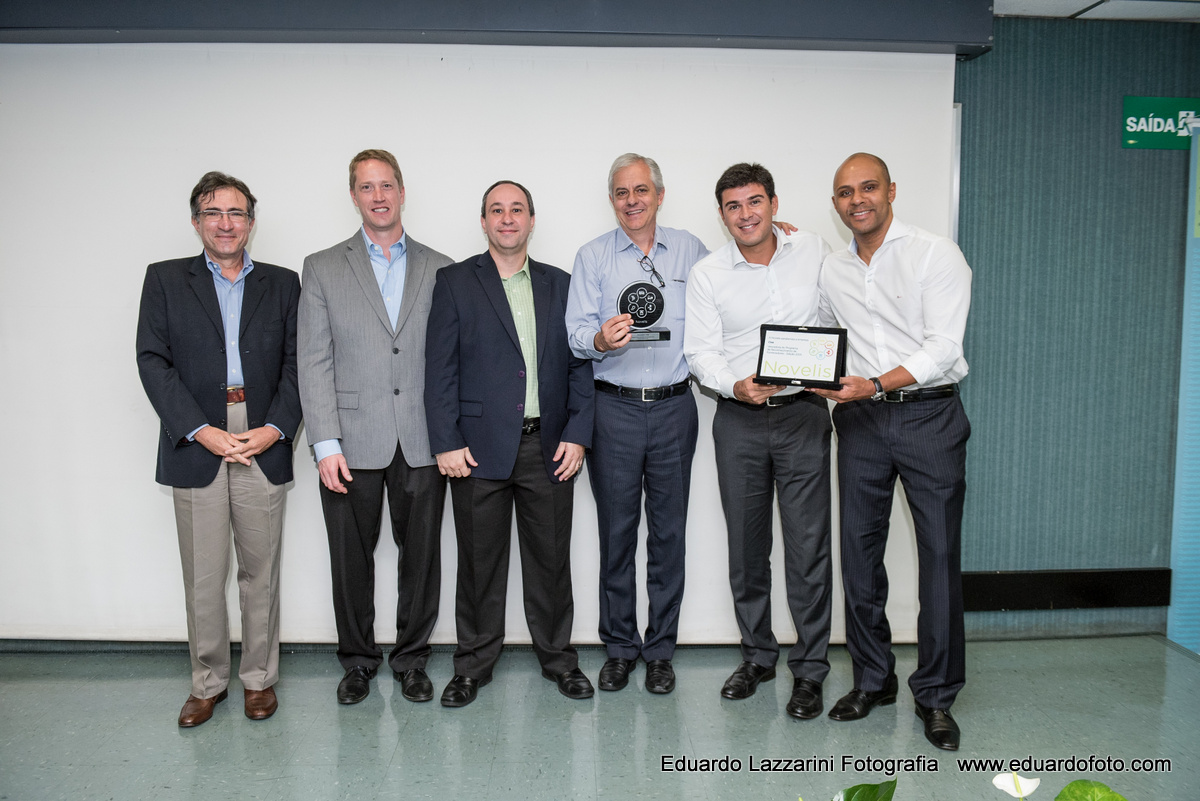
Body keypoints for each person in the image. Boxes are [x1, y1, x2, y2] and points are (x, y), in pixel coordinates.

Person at [813, 152, 972, 751]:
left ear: (891, 191)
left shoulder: (935, 253)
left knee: (939, 558)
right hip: (860, 423)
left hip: (929, 416)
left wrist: (877, 383)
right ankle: (873, 680)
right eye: (845, 192)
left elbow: (943, 346)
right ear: (835, 203)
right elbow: (824, 335)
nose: (857, 200)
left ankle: (935, 695)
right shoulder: (832, 269)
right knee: (858, 556)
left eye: (868, 187)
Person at [136, 171, 301, 727]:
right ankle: (207, 683)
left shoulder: (283, 283)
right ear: (195, 221)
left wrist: (275, 428)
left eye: (236, 213)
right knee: (204, 577)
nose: (225, 223)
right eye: (213, 212)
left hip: (261, 437)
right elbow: (152, 361)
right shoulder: (164, 280)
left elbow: (299, 364)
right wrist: (199, 430)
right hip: (197, 438)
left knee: (261, 573)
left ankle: (259, 681)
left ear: (250, 222)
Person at [425, 180, 595, 707]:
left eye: (516, 209)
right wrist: (446, 441)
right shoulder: (454, 282)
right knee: (479, 565)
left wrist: (578, 434)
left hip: (549, 447)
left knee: (551, 562)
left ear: (531, 220)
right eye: (496, 210)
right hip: (476, 451)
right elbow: (439, 369)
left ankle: (559, 659)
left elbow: (580, 365)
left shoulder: (560, 284)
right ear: (483, 221)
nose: (506, 218)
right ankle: (473, 665)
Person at [298, 149, 452, 705]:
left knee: (422, 559)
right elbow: (313, 359)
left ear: (402, 192)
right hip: (348, 441)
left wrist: (451, 436)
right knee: (350, 560)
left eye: (387, 185)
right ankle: (358, 661)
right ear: (354, 196)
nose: (379, 196)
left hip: (422, 439)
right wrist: (325, 444)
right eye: (367, 187)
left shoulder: (442, 267)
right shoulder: (321, 267)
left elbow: (449, 360)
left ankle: (412, 660)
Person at [683, 162, 833, 720]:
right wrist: (735, 386)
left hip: (803, 416)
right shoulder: (708, 274)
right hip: (739, 420)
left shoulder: (812, 249)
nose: (745, 214)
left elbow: (837, 314)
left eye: (754, 202)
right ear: (722, 214)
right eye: (733, 206)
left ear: (773, 203)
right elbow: (701, 352)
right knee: (747, 550)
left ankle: (810, 670)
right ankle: (758, 656)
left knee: (808, 549)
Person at [563, 154, 708, 694]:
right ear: (612, 200)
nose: (632, 201)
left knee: (669, 535)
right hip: (614, 411)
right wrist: (600, 340)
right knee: (617, 535)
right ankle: (620, 648)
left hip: (674, 407)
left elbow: (733, 286)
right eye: (622, 192)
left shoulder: (692, 250)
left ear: (659, 195)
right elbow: (575, 333)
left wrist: (779, 236)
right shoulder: (593, 256)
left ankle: (661, 650)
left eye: (641, 190)